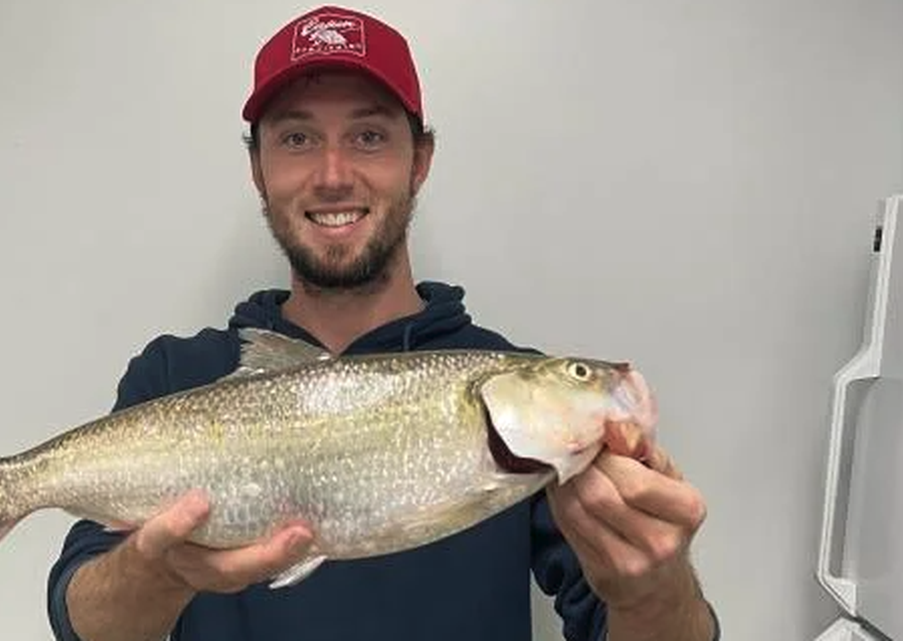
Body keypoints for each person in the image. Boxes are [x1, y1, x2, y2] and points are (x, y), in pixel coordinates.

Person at [46, 5, 719, 641]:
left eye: (368, 137)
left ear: (418, 160)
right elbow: (84, 622)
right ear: (258, 168)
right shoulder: (175, 376)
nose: (333, 174)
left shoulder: (524, 414)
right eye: (297, 139)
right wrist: (159, 569)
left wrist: (653, 592)